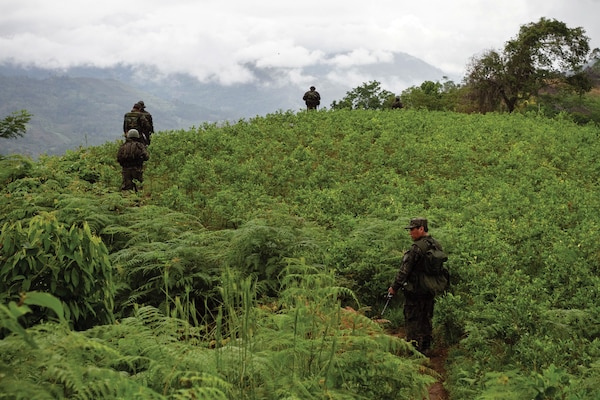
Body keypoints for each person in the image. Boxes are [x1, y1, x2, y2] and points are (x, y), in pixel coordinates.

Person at [388, 217, 444, 355]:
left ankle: (412, 350)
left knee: (413, 319)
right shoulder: (436, 245)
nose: (410, 233)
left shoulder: (416, 248)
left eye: (413, 229)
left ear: (421, 229)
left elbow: (404, 271)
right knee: (426, 318)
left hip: (415, 291)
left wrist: (394, 288)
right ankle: (426, 348)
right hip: (430, 289)